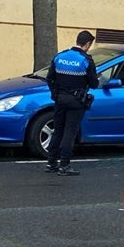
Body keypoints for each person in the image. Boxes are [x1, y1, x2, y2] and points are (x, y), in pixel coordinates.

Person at [45, 30, 99, 176]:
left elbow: (50, 78)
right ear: (87, 44)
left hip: (60, 99)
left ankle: (51, 163)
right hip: (76, 101)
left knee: (58, 130)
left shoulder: (59, 57)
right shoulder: (86, 60)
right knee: (70, 132)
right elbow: (94, 84)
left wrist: (55, 94)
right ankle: (64, 165)